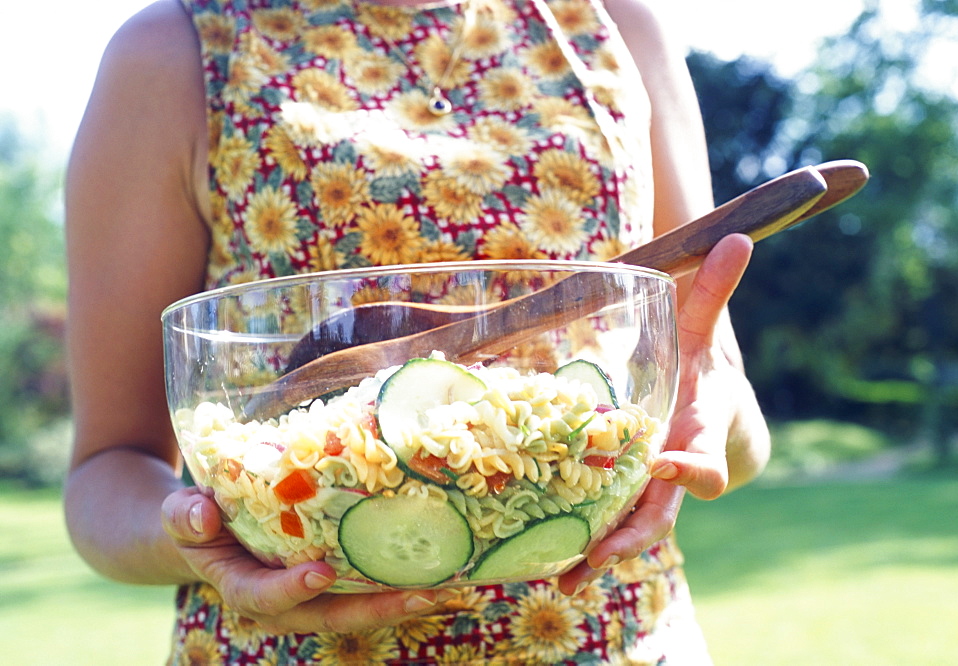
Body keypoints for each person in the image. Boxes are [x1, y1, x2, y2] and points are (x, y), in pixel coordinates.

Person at [64, 0, 770, 662]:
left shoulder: (613, 24)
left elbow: (726, 413)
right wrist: (199, 542)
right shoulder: (175, 50)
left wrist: (708, 421)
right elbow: (106, 470)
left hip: (613, 637)